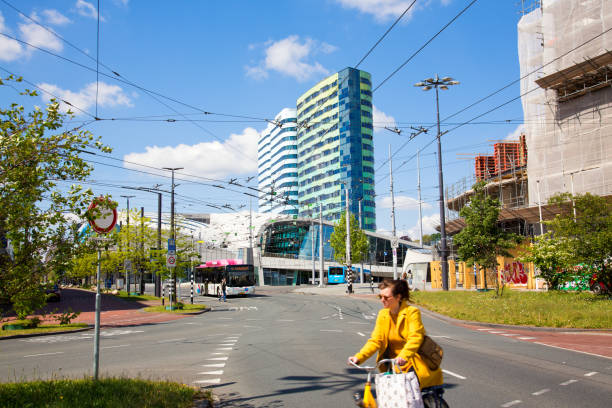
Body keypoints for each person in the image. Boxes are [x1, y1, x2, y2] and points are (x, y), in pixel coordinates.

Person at [348, 279, 443, 389]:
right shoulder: (383, 314)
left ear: (398, 297)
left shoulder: (412, 312)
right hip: (391, 365)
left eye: (386, 297)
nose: (382, 300)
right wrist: (359, 357)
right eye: (380, 297)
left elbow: (415, 338)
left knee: (409, 399)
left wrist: (403, 356)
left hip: (412, 362)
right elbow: (376, 340)